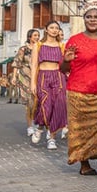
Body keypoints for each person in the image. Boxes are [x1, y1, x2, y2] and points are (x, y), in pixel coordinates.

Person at [62, 0, 97, 176]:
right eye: (89, 16)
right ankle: (84, 164)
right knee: (80, 130)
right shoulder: (74, 40)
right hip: (78, 92)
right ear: (84, 19)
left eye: (96, 17)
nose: (92, 20)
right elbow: (63, 69)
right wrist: (66, 61)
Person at [31, 21, 67, 150]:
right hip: (43, 77)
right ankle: (40, 127)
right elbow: (34, 65)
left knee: (58, 107)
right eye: (51, 27)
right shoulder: (38, 45)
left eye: (56, 28)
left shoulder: (62, 46)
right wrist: (32, 83)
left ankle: (51, 138)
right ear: (46, 29)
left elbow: (66, 65)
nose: (54, 30)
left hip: (58, 76)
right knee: (45, 105)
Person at [16, 29, 40, 137]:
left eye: (38, 35)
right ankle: (30, 126)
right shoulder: (23, 49)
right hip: (25, 78)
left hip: (38, 77)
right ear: (29, 37)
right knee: (29, 103)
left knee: (37, 102)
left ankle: (36, 122)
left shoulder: (40, 48)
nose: (37, 37)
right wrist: (14, 76)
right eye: (35, 35)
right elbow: (17, 62)